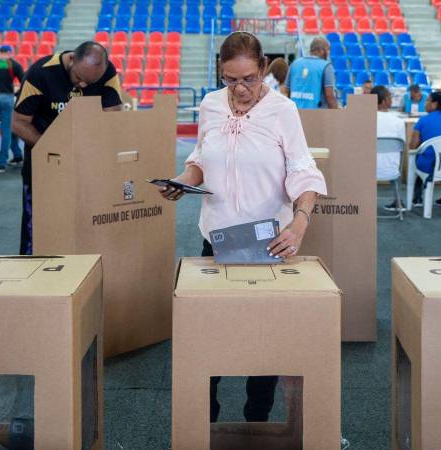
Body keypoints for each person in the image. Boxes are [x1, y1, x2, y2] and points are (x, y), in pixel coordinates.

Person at [156, 31, 327, 423]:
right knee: (207, 337)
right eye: (230, 80)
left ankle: (257, 420)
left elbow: (302, 169)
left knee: (264, 339)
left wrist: (300, 223)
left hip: (267, 243)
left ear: (264, 69)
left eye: (248, 78)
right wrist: (183, 179)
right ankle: (206, 420)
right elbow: (200, 157)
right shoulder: (210, 105)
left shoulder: (283, 110)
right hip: (215, 240)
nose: (240, 89)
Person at [12, 41, 123, 255]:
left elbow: (114, 113)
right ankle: (30, 270)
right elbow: (18, 122)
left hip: (87, 162)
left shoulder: (107, 71)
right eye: (78, 78)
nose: (82, 86)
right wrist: (56, 149)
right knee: (38, 225)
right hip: (46, 161)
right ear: (71, 59)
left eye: (89, 83)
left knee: (85, 223)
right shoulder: (40, 74)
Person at [371, 85, 406, 211]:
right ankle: (398, 201)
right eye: (390, 97)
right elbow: (402, 150)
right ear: (385, 100)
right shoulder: (398, 121)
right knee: (394, 159)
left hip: (367, 172)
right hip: (391, 172)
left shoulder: (365, 120)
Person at [283, 37, 338, 109]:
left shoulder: (294, 64)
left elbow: (285, 91)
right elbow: (329, 95)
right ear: (321, 50)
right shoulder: (326, 66)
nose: (328, 53)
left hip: (295, 113)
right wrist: (336, 114)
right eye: (328, 50)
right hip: (317, 115)